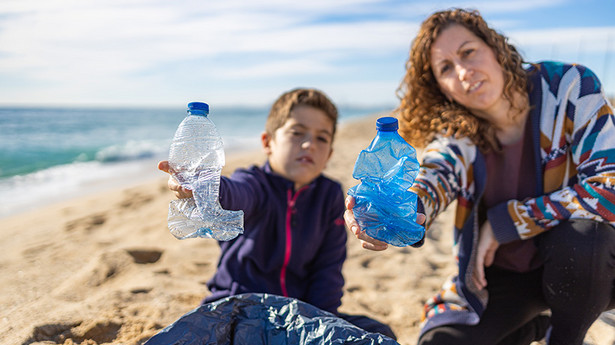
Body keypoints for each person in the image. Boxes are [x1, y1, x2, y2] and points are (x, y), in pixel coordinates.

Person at [344, 8, 615, 345]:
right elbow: (433, 179)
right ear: (442, 88)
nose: (463, 71)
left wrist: (506, 221)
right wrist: (400, 211)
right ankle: (532, 326)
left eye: (468, 52)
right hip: (500, 276)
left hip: (586, 267)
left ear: (495, 48)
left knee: (584, 237)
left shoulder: (569, 87)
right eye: (446, 68)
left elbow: (610, 188)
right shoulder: (455, 135)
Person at [158, 88, 396, 339]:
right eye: (297, 133)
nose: (309, 144)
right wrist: (208, 187)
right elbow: (236, 194)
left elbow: (328, 270)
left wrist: (322, 325)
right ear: (267, 143)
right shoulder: (254, 184)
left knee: (378, 332)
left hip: (298, 316)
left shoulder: (329, 195)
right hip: (240, 311)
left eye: (322, 138)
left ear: (329, 156)